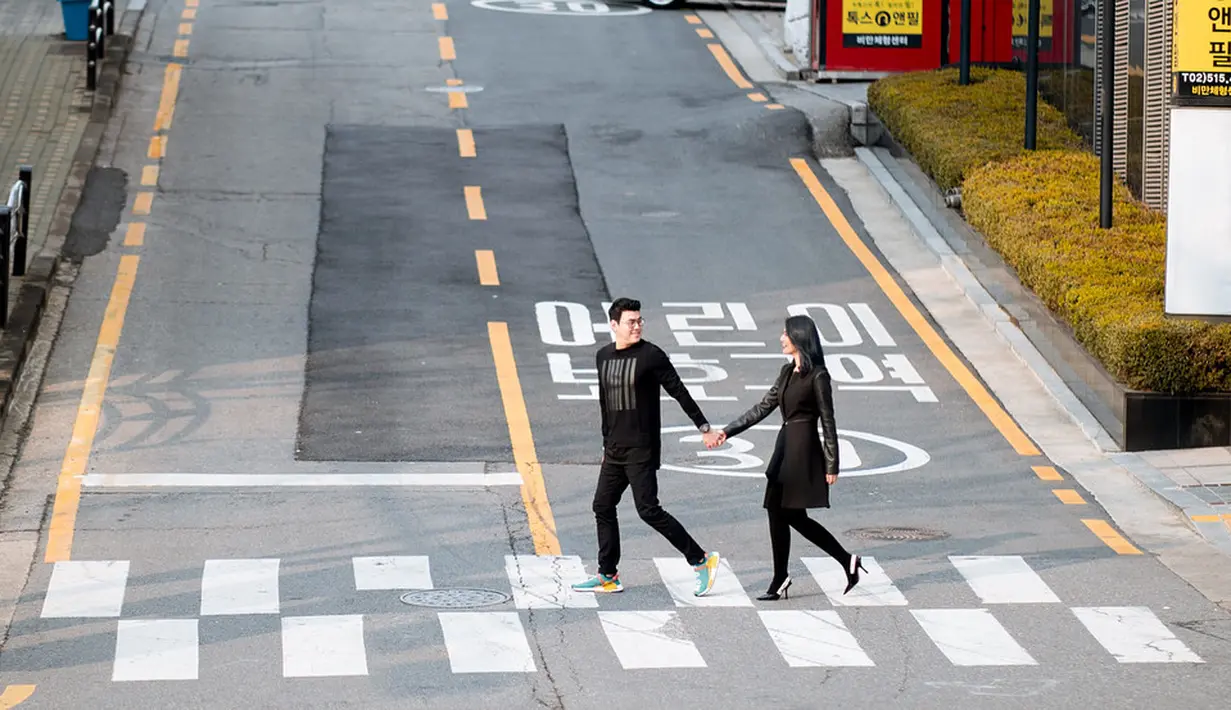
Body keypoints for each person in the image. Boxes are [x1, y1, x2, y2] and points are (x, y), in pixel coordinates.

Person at [572, 297, 723, 596]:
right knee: (602, 506)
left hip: (641, 448)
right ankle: (608, 575)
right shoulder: (603, 357)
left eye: (640, 321)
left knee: (648, 510)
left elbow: (679, 392)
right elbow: (606, 405)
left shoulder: (651, 355)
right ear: (614, 325)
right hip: (614, 450)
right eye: (631, 322)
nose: (637, 326)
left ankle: (701, 559)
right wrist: (606, 444)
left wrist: (704, 428)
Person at [709, 314, 863, 601]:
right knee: (777, 511)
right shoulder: (785, 372)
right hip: (784, 447)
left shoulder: (819, 376)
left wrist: (832, 464)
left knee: (791, 514)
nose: (781, 338)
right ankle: (789, 574)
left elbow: (828, 421)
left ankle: (840, 561)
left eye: (785, 334)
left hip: (802, 450)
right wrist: (727, 432)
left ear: (799, 338)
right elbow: (762, 407)